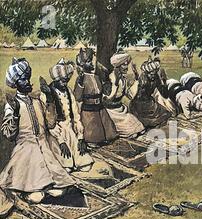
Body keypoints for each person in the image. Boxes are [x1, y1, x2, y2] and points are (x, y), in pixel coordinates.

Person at [0, 58, 75, 204]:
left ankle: (37, 190)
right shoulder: (13, 105)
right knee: (37, 195)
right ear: (16, 83)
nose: (28, 82)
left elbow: (50, 124)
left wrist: (49, 99)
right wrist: (15, 114)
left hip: (44, 149)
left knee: (63, 189)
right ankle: (26, 190)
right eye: (23, 79)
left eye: (28, 78)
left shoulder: (36, 101)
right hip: (25, 152)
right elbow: (8, 134)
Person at [45, 58, 94, 172]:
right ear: (56, 79)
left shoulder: (68, 91)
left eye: (66, 81)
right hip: (56, 134)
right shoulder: (47, 95)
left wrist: (81, 137)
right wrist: (61, 141)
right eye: (62, 81)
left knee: (85, 165)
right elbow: (50, 123)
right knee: (66, 167)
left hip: (70, 130)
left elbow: (76, 116)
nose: (64, 83)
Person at [74, 48, 118, 146]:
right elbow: (77, 96)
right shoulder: (81, 78)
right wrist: (80, 83)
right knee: (93, 133)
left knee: (108, 131)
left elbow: (104, 91)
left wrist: (106, 78)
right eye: (89, 61)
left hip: (100, 108)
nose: (92, 63)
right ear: (83, 64)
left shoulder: (96, 77)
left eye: (92, 60)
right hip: (89, 111)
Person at [103, 52, 145, 139]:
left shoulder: (124, 79)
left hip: (121, 110)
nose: (126, 67)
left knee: (140, 129)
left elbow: (129, 95)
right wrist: (116, 84)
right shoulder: (110, 79)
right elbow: (108, 100)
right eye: (124, 65)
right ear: (118, 66)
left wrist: (137, 78)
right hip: (112, 112)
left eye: (127, 64)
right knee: (132, 133)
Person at [129, 57, 172, 128]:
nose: (152, 76)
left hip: (150, 102)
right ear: (146, 73)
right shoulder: (143, 79)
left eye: (154, 74)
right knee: (146, 119)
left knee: (166, 113)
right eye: (151, 74)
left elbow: (165, 95)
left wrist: (164, 82)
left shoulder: (156, 78)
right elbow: (138, 95)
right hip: (139, 104)